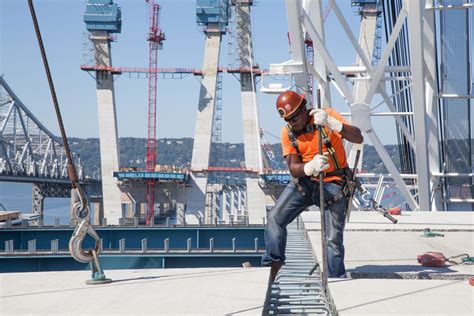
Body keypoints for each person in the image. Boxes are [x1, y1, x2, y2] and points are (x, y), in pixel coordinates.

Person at [262, 90, 363, 281]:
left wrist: (334, 124)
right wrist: (309, 167)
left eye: (294, 118)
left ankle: (335, 278)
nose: (293, 123)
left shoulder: (327, 117)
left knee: (332, 239)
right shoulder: (288, 132)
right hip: (306, 182)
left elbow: (358, 137)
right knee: (275, 217)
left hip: (334, 183)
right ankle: (273, 263)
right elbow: (293, 167)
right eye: (289, 120)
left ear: (304, 109)